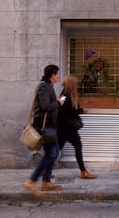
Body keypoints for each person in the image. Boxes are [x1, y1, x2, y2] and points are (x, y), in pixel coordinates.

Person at [24, 64, 66, 196]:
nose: (59, 76)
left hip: (49, 125)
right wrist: (59, 102)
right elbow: (45, 106)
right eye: (57, 74)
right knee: (51, 154)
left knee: (54, 152)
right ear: (52, 75)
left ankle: (46, 182)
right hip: (44, 126)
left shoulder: (49, 86)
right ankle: (32, 181)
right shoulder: (44, 87)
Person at [57, 75, 97, 180]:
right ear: (71, 85)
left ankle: (45, 169)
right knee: (77, 146)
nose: (76, 85)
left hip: (63, 127)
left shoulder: (64, 94)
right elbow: (67, 111)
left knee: (57, 149)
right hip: (68, 127)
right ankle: (83, 172)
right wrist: (80, 111)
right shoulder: (65, 95)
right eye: (75, 84)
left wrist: (79, 110)